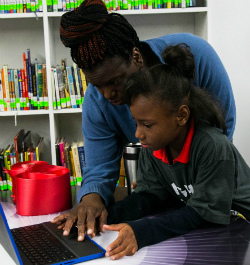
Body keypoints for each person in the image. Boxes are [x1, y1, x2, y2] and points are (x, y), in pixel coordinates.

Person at [52, 0, 236, 240]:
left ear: (136, 57)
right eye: (97, 85)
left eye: (115, 81)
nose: (108, 95)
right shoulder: (97, 103)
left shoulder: (197, 55)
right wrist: (91, 201)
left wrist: (189, 187)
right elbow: (99, 168)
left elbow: (222, 128)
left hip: (213, 196)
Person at [102, 43, 250, 260]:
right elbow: (152, 197)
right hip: (208, 224)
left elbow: (203, 213)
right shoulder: (153, 147)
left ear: (180, 116)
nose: (138, 134)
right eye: (136, 123)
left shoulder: (213, 147)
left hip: (240, 225)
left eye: (147, 125)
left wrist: (142, 232)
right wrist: (105, 216)